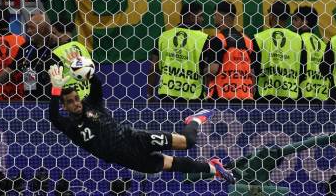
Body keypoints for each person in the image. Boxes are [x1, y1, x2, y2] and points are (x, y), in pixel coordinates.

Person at [47, 54, 234, 182]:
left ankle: (194, 120)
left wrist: (84, 68)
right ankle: (214, 169)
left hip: (135, 139)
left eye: (76, 99)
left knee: (188, 142)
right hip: (127, 159)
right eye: (70, 102)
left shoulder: (91, 104)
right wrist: (55, 89)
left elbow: (96, 84)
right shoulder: (69, 126)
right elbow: (53, 117)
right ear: (65, 106)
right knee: (173, 164)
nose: (76, 103)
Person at [148, 2, 222, 101]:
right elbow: (210, 71)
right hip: (193, 97)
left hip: (167, 96)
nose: (203, 19)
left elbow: (153, 68)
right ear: (192, 17)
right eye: (200, 16)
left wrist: (150, 94)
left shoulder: (164, 37)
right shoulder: (205, 39)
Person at [253, 1, 303, 102]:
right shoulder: (298, 39)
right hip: (290, 97)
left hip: (265, 97)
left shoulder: (259, 38)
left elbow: (254, 68)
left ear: (272, 16)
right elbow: (303, 69)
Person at [207, 1, 255, 101]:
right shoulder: (247, 40)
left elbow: (213, 70)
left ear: (221, 16)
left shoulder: (217, 39)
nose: (214, 18)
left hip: (222, 98)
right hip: (245, 97)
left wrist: (203, 71)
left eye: (215, 15)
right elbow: (252, 72)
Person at [294, 5, 329, 103]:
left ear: (305, 21)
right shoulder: (323, 44)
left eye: (296, 19)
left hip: (302, 93)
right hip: (322, 93)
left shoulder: (297, 41)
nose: (293, 23)